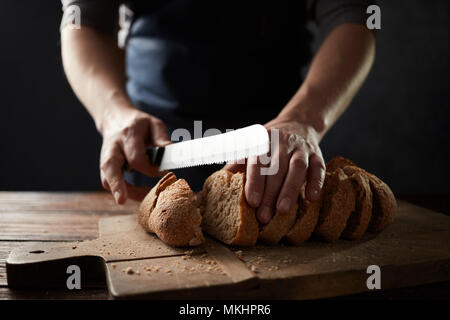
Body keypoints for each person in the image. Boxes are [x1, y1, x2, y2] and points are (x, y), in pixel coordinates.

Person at [60, 0, 376, 225]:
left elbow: (352, 15)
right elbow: (83, 19)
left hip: (279, 151)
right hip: (154, 146)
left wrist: (305, 119)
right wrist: (114, 114)